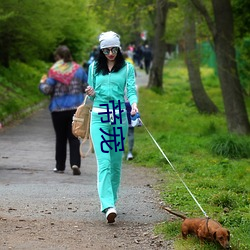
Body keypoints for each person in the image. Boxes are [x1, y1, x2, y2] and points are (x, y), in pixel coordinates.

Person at [85, 31, 138, 223]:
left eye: (114, 49)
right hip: (99, 118)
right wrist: (90, 92)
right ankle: (107, 205)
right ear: (101, 50)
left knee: (115, 164)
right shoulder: (93, 68)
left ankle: (112, 201)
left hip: (118, 118)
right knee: (104, 163)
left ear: (119, 48)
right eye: (106, 50)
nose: (110, 53)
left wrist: (133, 104)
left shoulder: (127, 68)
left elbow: (131, 90)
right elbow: (91, 97)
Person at [39, 45, 88, 175]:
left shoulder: (54, 71)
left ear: (58, 57)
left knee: (60, 138)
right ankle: (75, 163)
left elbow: (47, 90)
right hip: (75, 109)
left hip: (58, 109)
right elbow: (86, 87)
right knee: (74, 137)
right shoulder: (79, 70)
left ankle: (60, 166)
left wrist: (42, 83)